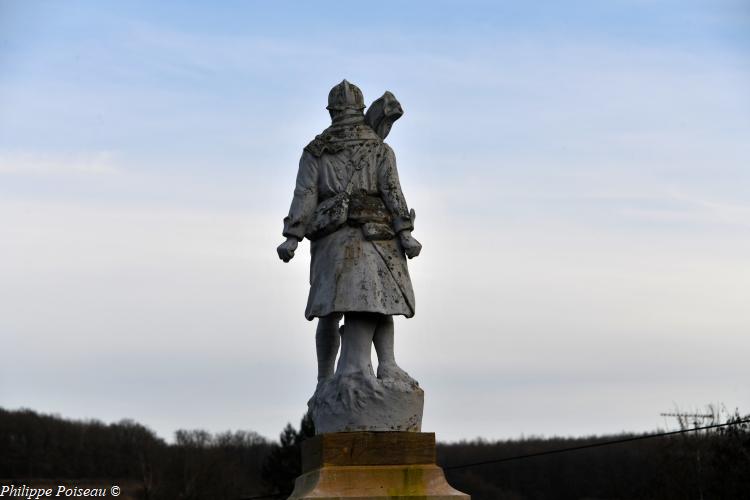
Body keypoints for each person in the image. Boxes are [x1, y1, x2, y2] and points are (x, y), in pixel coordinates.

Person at [277, 80, 421, 385]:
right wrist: (404, 232)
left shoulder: (315, 151)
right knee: (381, 302)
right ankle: (386, 364)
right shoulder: (379, 148)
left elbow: (304, 195)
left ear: (331, 111)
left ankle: (325, 378)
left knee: (331, 311)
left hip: (333, 236)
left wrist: (292, 236)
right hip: (377, 234)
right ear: (360, 108)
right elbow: (393, 193)